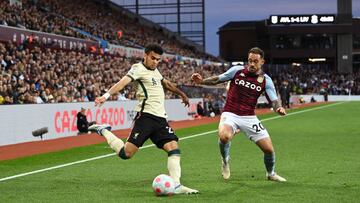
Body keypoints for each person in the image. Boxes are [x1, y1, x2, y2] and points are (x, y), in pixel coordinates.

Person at [89, 44, 199, 194]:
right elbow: (122, 83)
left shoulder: (156, 71)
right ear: (145, 55)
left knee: (174, 148)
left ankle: (177, 185)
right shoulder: (137, 68)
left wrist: (182, 94)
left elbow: (165, 83)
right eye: (153, 58)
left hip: (160, 119)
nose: (155, 62)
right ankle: (104, 130)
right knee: (126, 154)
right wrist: (105, 96)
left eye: (158, 60)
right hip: (145, 117)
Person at [191, 47, 287, 182]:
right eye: (250, 61)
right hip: (230, 113)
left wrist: (279, 108)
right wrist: (201, 81)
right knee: (224, 136)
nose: (252, 64)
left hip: (249, 117)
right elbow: (218, 79)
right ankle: (225, 160)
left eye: (255, 61)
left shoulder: (266, 80)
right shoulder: (237, 71)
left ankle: (270, 173)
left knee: (269, 150)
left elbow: (274, 100)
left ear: (262, 62)